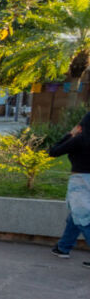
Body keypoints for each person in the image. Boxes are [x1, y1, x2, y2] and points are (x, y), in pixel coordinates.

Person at [49, 111, 90, 268]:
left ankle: (63, 247)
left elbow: (53, 152)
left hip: (80, 182)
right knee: (75, 216)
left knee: (83, 219)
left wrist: (69, 135)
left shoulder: (80, 139)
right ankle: (63, 247)